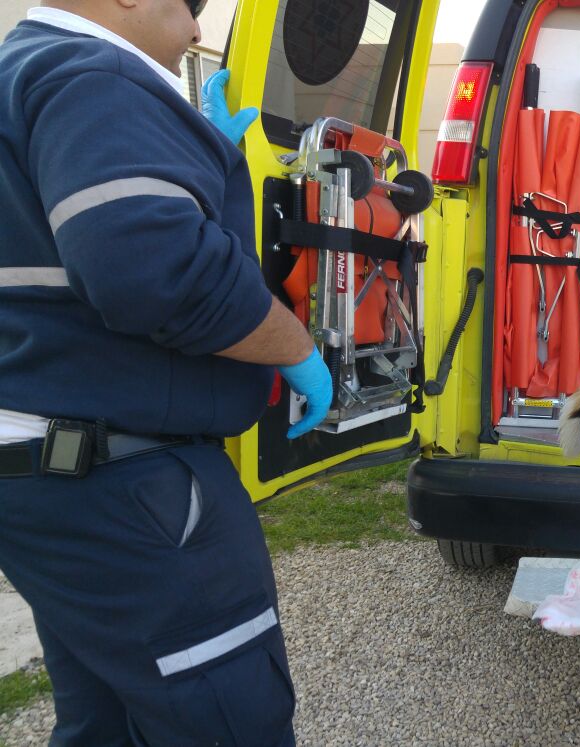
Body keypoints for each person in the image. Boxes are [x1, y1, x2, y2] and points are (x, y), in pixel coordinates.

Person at [0, 1, 332, 744]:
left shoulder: (21, 71)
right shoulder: (93, 75)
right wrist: (295, 347)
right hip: (126, 484)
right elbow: (152, 267)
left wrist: (198, 162)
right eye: (189, 8)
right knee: (228, 715)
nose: (195, 32)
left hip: (51, 468)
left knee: (106, 721)